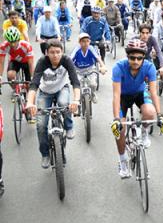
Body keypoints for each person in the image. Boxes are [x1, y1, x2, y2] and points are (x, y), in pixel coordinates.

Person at [110, 39, 163, 178]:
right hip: (123, 97)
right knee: (120, 130)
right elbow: (116, 94)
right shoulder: (118, 67)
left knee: (150, 112)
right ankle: (123, 160)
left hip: (139, 94)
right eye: (132, 58)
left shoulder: (149, 67)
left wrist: (160, 115)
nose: (136, 61)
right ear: (127, 57)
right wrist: (116, 119)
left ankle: (143, 132)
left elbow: (153, 92)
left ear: (144, 58)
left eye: (139, 58)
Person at [25, 40, 80, 169]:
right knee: (41, 124)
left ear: (62, 52)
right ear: (46, 53)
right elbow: (34, 85)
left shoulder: (66, 61)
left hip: (62, 88)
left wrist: (76, 100)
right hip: (45, 92)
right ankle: (45, 154)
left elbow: (75, 82)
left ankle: (68, 125)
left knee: (63, 103)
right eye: (52, 52)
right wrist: (29, 103)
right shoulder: (42, 63)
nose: (55, 55)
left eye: (58, 52)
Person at [70, 33, 107, 103]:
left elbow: (98, 58)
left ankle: (92, 94)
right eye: (83, 41)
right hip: (78, 70)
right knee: (78, 87)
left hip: (90, 69)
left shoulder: (91, 48)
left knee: (93, 84)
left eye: (87, 41)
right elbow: (70, 59)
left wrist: (102, 66)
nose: (86, 43)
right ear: (79, 42)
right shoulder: (76, 50)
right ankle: (77, 103)